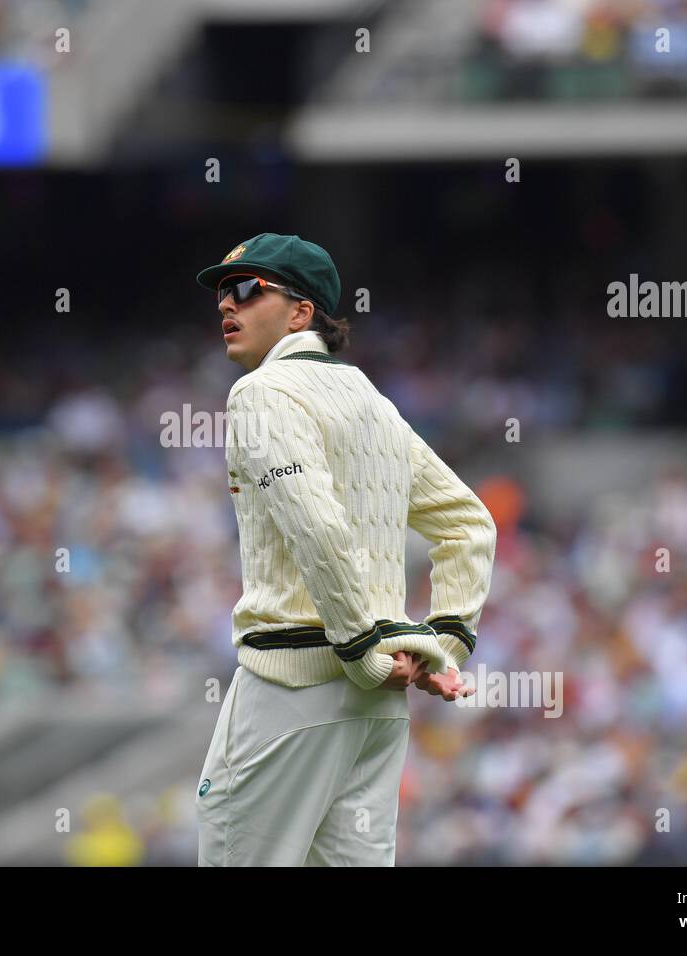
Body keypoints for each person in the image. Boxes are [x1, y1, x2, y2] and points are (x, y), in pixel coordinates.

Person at [193, 233, 497, 866]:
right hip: (377, 705)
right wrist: (440, 645)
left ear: (302, 312)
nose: (228, 304)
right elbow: (470, 525)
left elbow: (315, 523)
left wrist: (362, 649)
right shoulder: (375, 405)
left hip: (295, 687)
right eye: (223, 292)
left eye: (248, 289)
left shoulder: (262, 392)